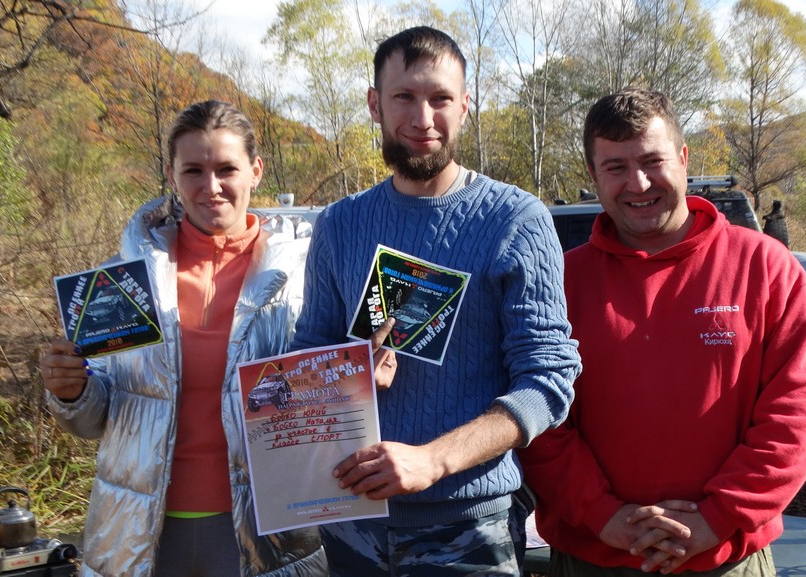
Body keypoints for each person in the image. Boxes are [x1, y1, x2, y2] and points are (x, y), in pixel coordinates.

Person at [290, 26, 580, 577]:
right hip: (352, 521)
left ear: (465, 106)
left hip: (470, 528)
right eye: (404, 96)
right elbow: (306, 359)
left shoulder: (516, 220)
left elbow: (548, 380)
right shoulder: (339, 225)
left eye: (440, 98)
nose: (423, 118)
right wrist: (346, 373)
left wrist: (433, 460)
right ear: (375, 104)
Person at [519, 88, 806, 576]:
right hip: (591, 556)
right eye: (616, 167)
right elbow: (539, 415)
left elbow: (797, 412)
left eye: (652, 161)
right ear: (594, 176)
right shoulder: (560, 281)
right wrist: (602, 515)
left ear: (684, 159)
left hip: (726, 558)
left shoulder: (765, 266)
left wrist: (718, 516)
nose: (638, 183)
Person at [39, 100, 327, 576]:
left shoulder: (308, 274)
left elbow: (332, 396)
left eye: (226, 169)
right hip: (141, 529)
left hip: (266, 531)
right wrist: (71, 391)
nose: (210, 186)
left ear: (255, 171)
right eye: (193, 170)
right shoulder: (122, 281)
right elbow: (93, 419)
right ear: (172, 177)